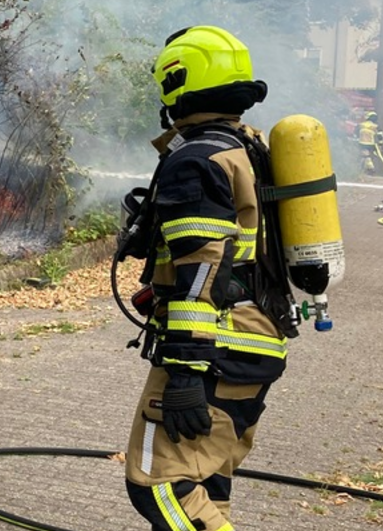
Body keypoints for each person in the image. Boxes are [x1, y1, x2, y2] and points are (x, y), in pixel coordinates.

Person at [124, 26, 293, 530]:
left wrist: (184, 373)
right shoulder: (249, 149)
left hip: (215, 350)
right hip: (256, 341)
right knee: (206, 483)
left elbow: (203, 269)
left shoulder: (196, 160)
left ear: (176, 84)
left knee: (159, 487)